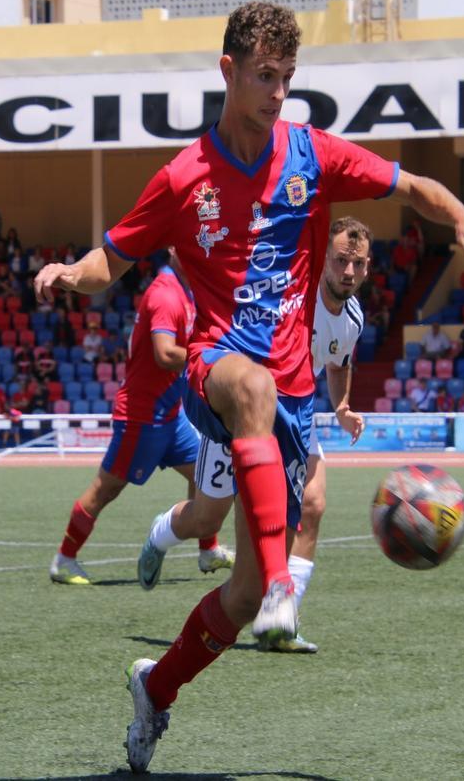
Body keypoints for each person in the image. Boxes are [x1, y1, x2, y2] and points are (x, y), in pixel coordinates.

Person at [31, 1, 464, 772]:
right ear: (228, 72)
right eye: (263, 76)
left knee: (239, 600)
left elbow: (413, 184)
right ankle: (286, 582)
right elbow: (107, 262)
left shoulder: (311, 154)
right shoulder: (184, 177)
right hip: (215, 374)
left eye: (287, 77)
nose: (277, 92)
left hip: (293, 398)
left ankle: (159, 686)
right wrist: (63, 274)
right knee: (246, 386)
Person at [137, 217, 372, 656]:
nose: (349, 272)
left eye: (358, 264)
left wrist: (340, 407)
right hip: (245, 413)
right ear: (323, 259)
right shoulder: (291, 295)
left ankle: (282, 620)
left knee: (313, 506)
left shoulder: (353, 317)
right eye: (340, 260)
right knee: (207, 519)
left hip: (297, 416)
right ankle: (162, 533)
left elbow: (339, 362)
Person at [48, 250, 233, 585]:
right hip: (141, 415)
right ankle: (64, 559)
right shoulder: (166, 294)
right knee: (105, 490)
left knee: (204, 475)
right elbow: (164, 354)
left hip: (171, 415)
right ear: (176, 251)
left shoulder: (185, 291)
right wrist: (210, 360)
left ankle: (208, 551)